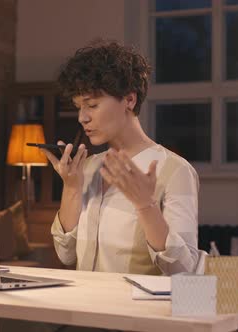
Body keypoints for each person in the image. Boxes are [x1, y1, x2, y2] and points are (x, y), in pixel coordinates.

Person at [43, 40, 201, 276]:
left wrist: (145, 205)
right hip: (82, 309)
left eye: (92, 105)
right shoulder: (87, 167)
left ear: (129, 100)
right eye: (78, 107)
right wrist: (72, 186)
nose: (82, 118)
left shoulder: (175, 171)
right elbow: (66, 255)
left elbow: (183, 270)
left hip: (136, 312)